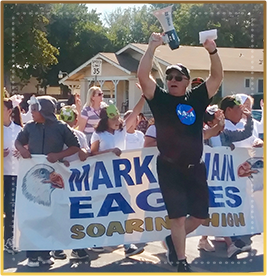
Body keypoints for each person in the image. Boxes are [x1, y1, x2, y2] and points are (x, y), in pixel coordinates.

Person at [137, 32, 223, 272]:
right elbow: (142, 76)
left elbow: (216, 77)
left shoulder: (196, 99)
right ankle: (182, 261)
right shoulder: (160, 99)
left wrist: (212, 50)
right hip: (169, 168)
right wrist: (152, 46)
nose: (173, 80)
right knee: (176, 217)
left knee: (198, 217)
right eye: (170, 77)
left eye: (178, 77)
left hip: (196, 168)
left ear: (186, 81)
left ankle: (172, 242)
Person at [15, 95, 80, 268]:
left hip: (52, 180)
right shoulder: (29, 127)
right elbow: (18, 142)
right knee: (32, 215)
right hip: (33, 177)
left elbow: (75, 146)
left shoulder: (61, 128)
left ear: (44, 110)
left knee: (49, 216)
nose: (32, 112)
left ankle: (45, 253)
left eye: (35, 109)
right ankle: (32, 255)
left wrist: (58, 156)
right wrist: (22, 150)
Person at [90, 97, 145, 257]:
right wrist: (109, 152)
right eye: (112, 118)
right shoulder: (98, 134)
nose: (116, 120)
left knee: (124, 208)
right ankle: (96, 240)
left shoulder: (122, 131)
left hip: (120, 175)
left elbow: (135, 112)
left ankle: (127, 244)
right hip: (104, 176)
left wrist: (143, 96)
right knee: (104, 209)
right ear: (105, 120)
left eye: (117, 117)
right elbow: (92, 153)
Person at [50, 105, 91, 261]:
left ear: (75, 120)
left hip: (77, 181)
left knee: (77, 213)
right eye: (64, 119)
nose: (68, 122)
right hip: (61, 180)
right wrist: (61, 160)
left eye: (70, 119)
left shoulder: (80, 135)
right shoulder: (56, 135)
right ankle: (57, 246)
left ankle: (78, 246)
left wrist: (83, 152)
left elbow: (86, 152)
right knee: (60, 212)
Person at [3, 98, 23, 254]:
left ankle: (11, 239)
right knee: (7, 208)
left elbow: (27, 146)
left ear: (9, 111)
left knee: (13, 209)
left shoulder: (18, 130)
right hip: (3, 173)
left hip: (15, 173)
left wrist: (22, 151)